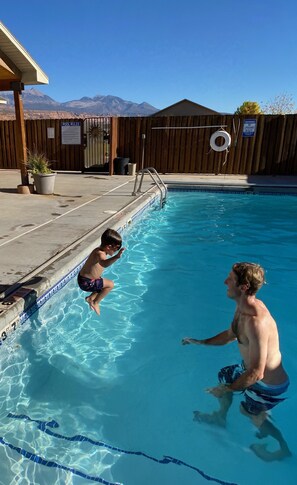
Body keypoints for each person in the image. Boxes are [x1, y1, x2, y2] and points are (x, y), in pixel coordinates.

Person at [182, 262, 291, 461]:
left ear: (243, 287)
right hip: (251, 370)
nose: (225, 282)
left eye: (230, 279)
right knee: (225, 374)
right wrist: (201, 342)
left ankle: (282, 449)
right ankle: (220, 417)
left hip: (268, 384)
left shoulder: (256, 322)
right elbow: (231, 334)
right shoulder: (242, 308)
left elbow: (257, 373)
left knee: (249, 412)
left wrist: (227, 390)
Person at [77, 228, 125, 315]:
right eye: (116, 249)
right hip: (86, 283)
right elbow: (104, 263)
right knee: (110, 285)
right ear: (108, 247)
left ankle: (90, 298)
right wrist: (116, 257)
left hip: (84, 279)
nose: (116, 251)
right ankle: (95, 302)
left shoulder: (99, 250)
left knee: (101, 282)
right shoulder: (100, 253)